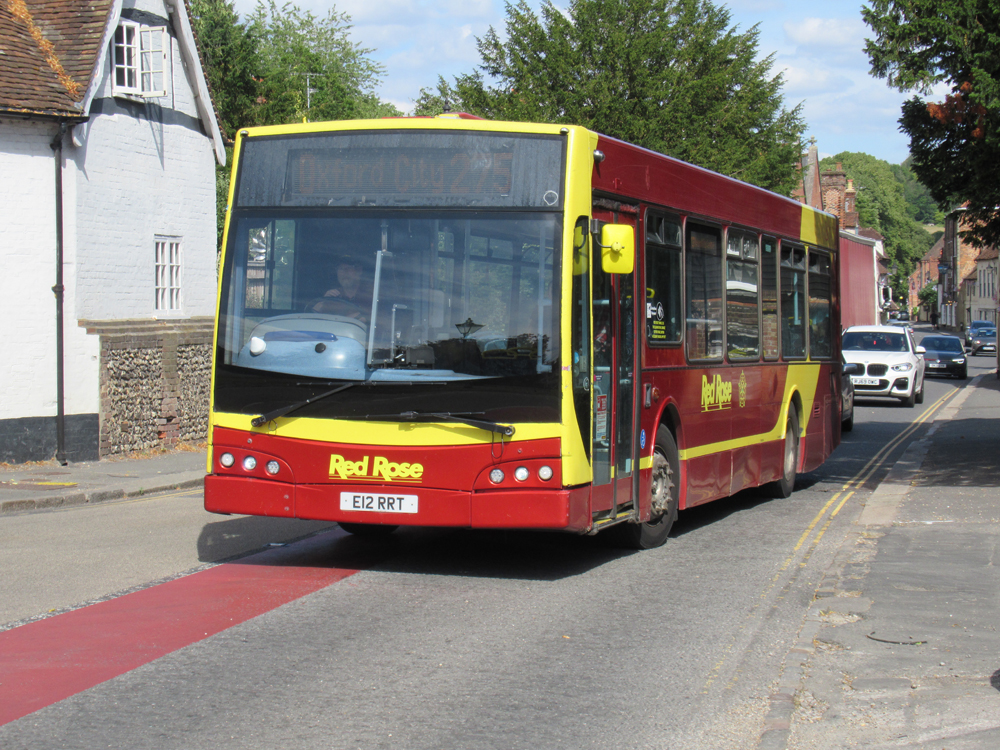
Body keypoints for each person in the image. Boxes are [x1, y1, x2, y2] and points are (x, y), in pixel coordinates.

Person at [310, 253, 370, 320]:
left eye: (349, 268)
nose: (344, 272)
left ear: (359, 271)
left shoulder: (371, 295)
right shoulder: (333, 297)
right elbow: (315, 321)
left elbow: (376, 319)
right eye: (341, 268)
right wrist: (323, 303)